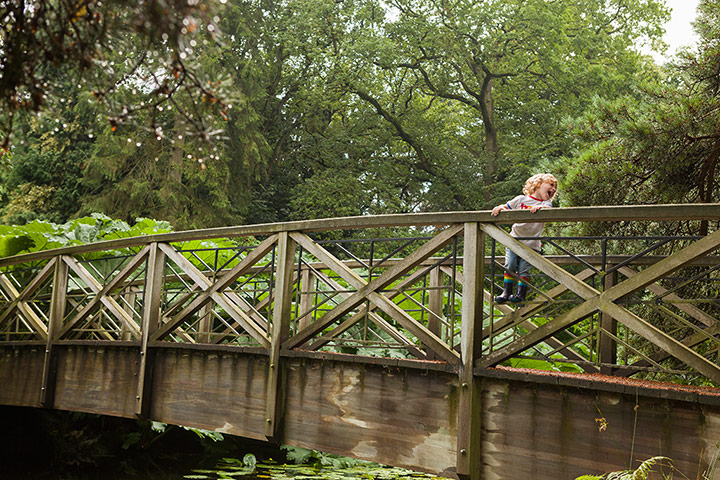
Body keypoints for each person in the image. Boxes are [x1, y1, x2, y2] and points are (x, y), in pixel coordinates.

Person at [491, 173, 558, 303]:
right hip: (514, 240)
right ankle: (506, 292)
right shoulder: (521, 199)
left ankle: (520, 294)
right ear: (538, 184)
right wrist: (499, 207)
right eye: (551, 185)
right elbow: (506, 207)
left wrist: (540, 207)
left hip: (532, 243)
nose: (554, 189)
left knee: (523, 269)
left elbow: (548, 208)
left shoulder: (546, 202)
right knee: (510, 264)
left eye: (555, 187)